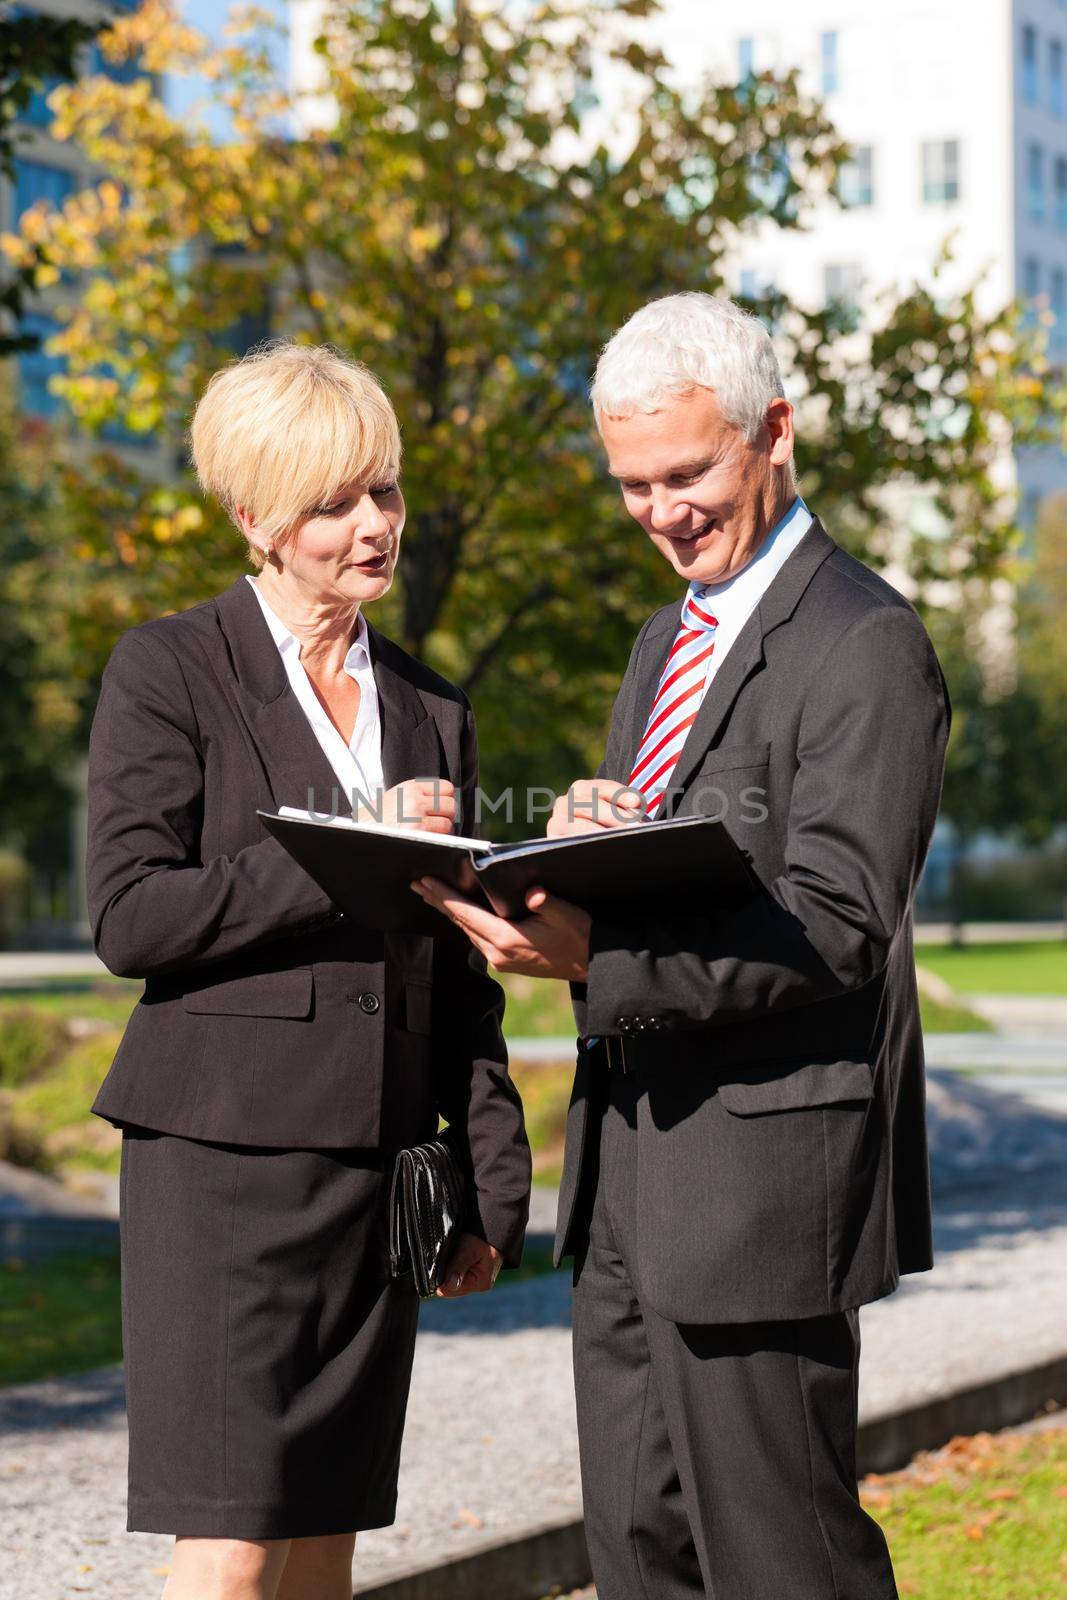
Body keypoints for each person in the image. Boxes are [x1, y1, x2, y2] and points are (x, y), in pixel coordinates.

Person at [413, 292, 950, 1599]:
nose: (659, 511)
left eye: (685, 473)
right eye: (630, 484)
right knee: (639, 1562)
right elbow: (688, 871)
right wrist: (582, 845)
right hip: (624, 1186)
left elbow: (832, 922)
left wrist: (600, 957)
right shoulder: (665, 639)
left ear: (773, 431)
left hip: (761, 1190)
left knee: (785, 1565)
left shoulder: (864, 644)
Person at [86, 342, 531, 1600]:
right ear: (257, 518)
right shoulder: (170, 670)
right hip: (220, 1166)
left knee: (327, 1541)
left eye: (383, 490)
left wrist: (489, 1166)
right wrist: (354, 849)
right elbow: (133, 916)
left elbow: (460, 955)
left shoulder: (431, 704)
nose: (373, 524)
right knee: (231, 1546)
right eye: (335, 501)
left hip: (377, 1172)